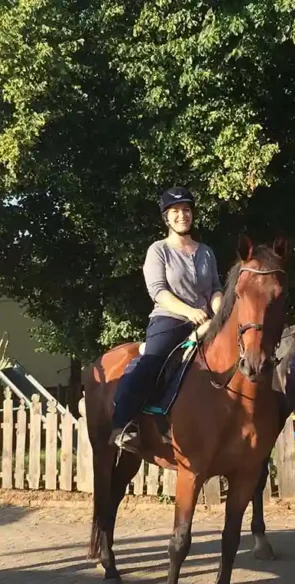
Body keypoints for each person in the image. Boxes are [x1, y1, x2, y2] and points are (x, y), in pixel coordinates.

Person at [110, 186, 224, 453]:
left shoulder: (206, 251)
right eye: (175, 211)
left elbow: (215, 289)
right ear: (166, 218)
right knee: (153, 361)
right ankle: (123, 422)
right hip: (170, 319)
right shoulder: (158, 250)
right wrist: (189, 312)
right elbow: (158, 291)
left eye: (186, 210)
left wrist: (221, 314)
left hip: (207, 321)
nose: (182, 215)